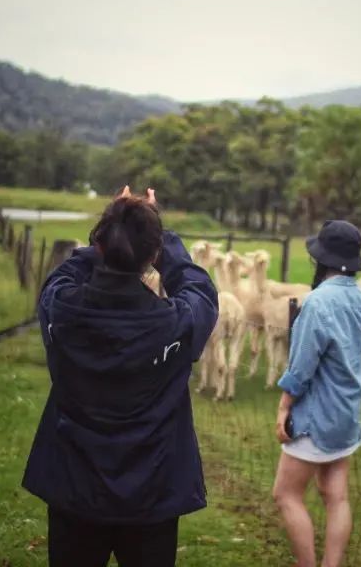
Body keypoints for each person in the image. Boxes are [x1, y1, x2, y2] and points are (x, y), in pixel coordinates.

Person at [22, 187, 220, 567]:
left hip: (74, 485)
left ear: (99, 244)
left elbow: (59, 278)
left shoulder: (62, 309)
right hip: (153, 493)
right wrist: (159, 235)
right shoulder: (174, 323)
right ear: (152, 256)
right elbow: (200, 292)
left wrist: (111, 230)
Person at [272, 220, 361, 567]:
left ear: (322, 258)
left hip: (317, 417)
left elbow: (302, 367)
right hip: (347, 414)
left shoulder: (316, 303)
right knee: (336, 496)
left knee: (286, 494)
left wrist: (284, 406)